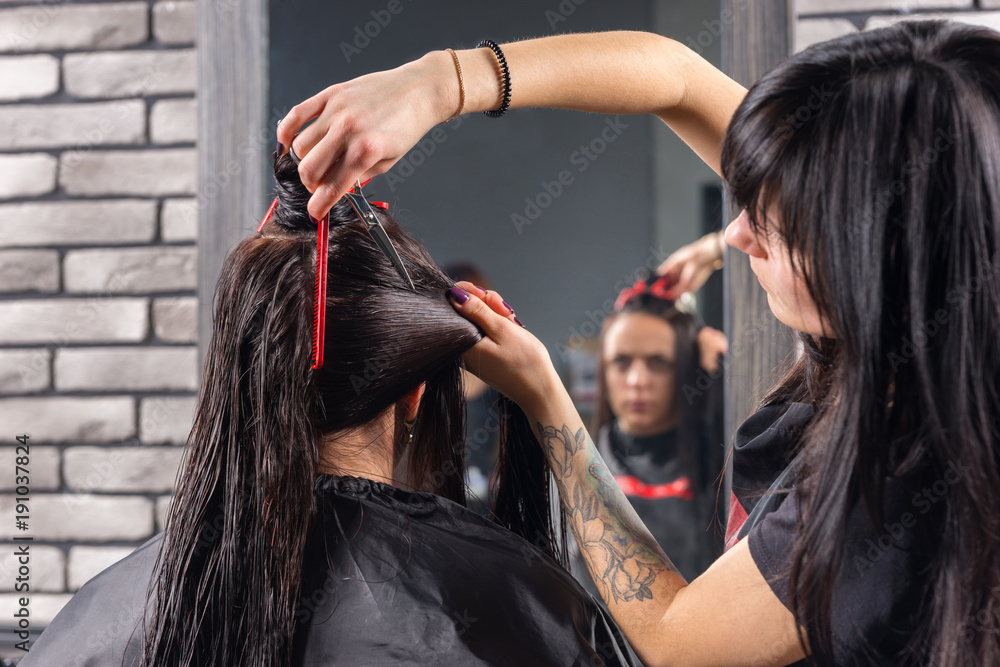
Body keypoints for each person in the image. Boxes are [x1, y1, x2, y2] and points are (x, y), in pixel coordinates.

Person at [278, 21, 1000, 665]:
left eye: (775, 226)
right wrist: (442, 80)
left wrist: (544, 399)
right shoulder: (913, 277)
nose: (735, 231)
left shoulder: (906, 467)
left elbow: (681, 640)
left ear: (884, 257)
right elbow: (676, 78)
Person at [17, 154, 637, 666]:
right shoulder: (513, 605)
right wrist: (546, 399)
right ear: (414, 392)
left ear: (236, 380)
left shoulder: (91, 620)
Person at [589, 274, 725, 582]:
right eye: (621, 362)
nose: (637, 381)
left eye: (658, 363)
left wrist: (718, 373)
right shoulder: (574, 465)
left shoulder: (718, 461)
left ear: (685, 369)